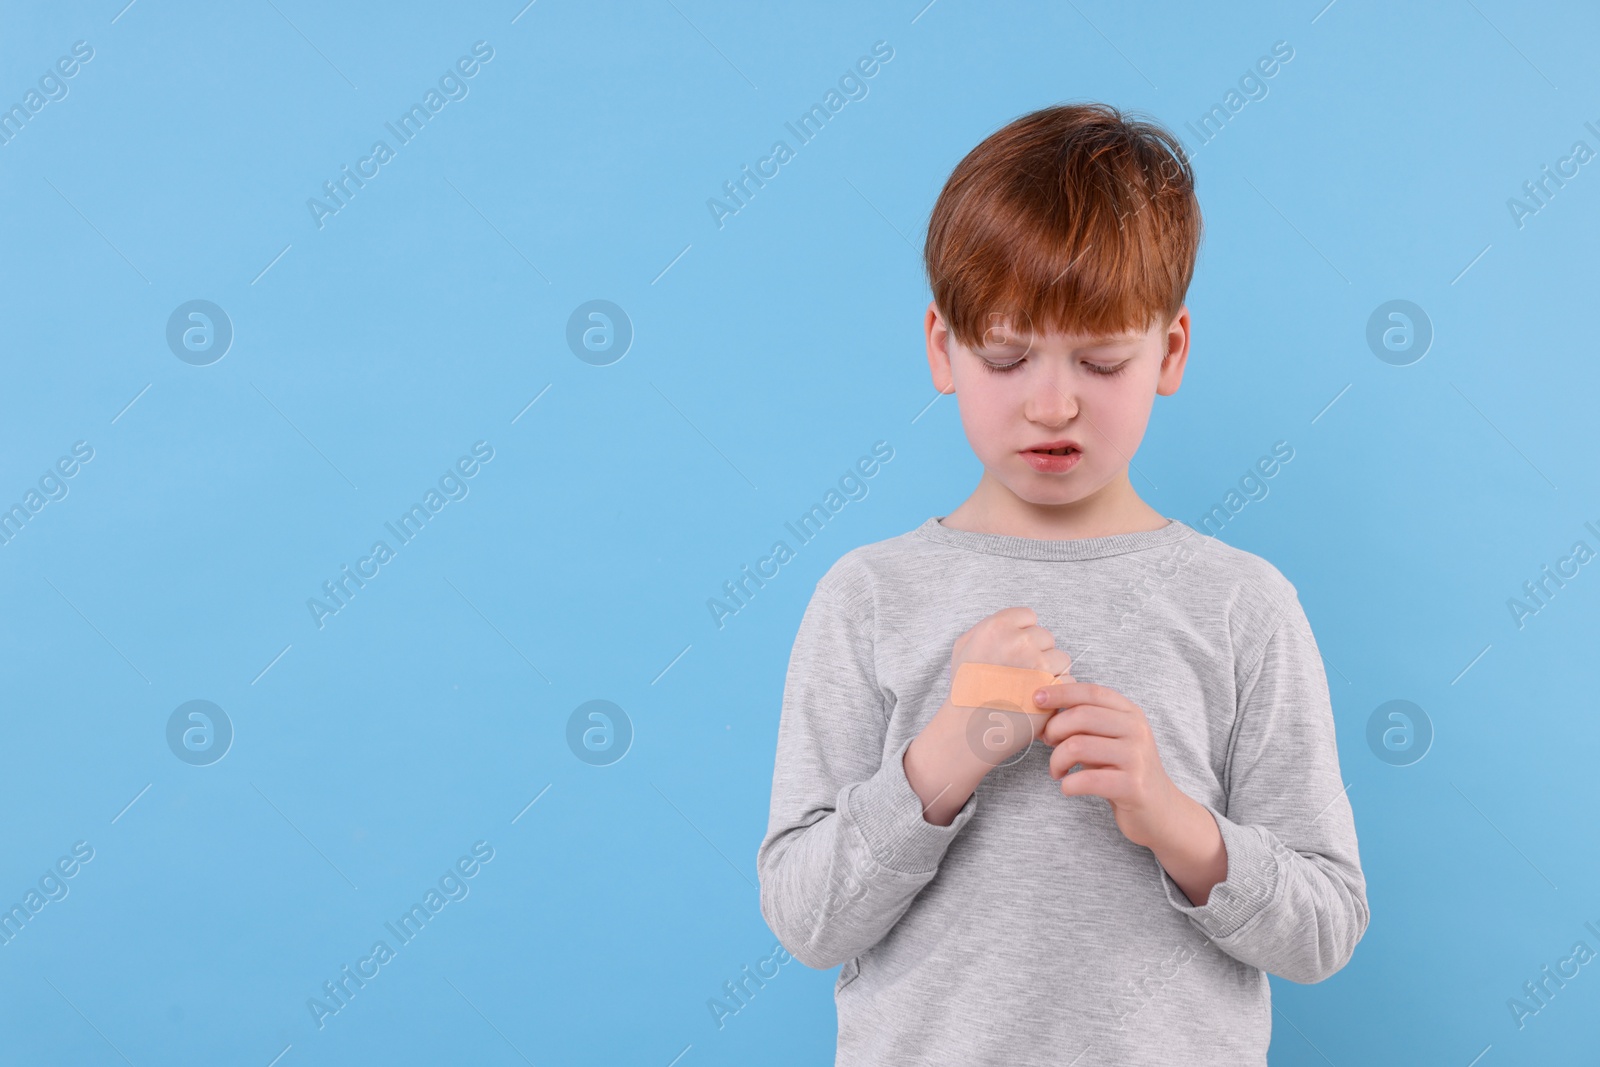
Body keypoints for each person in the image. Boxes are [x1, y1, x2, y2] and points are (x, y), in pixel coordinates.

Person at [755, 102, 1368, 1066]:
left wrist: (1174, 821)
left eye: (1101, 359)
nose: (1052, 402)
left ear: (1168, 353)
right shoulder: (869, 597)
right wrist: (943, 761)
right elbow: (805, 919)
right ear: (942, 349)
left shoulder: (1243, 606)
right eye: (1006, 356)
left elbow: (1325, 926)